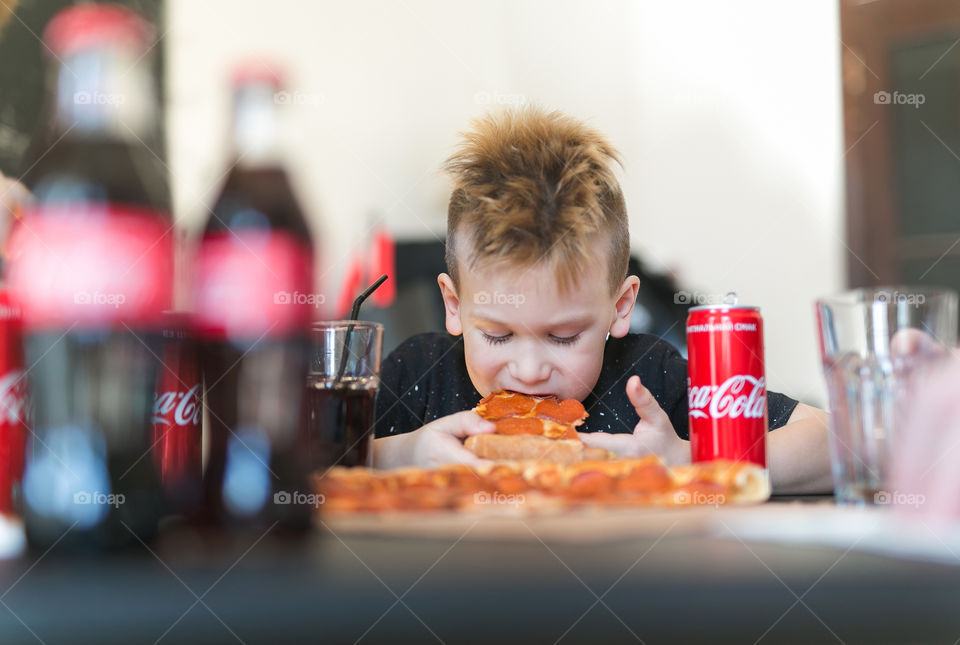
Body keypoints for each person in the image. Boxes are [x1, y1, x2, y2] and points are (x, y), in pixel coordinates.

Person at [372, 106, 831, 493]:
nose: (529, 371)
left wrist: (689, 461)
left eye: (564, 336)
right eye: (497, 335)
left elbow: (833, 442)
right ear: (454, 305)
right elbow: (310, 462)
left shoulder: (649, 378)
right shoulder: (421, 374)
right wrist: (397, 454)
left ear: (621, 306)